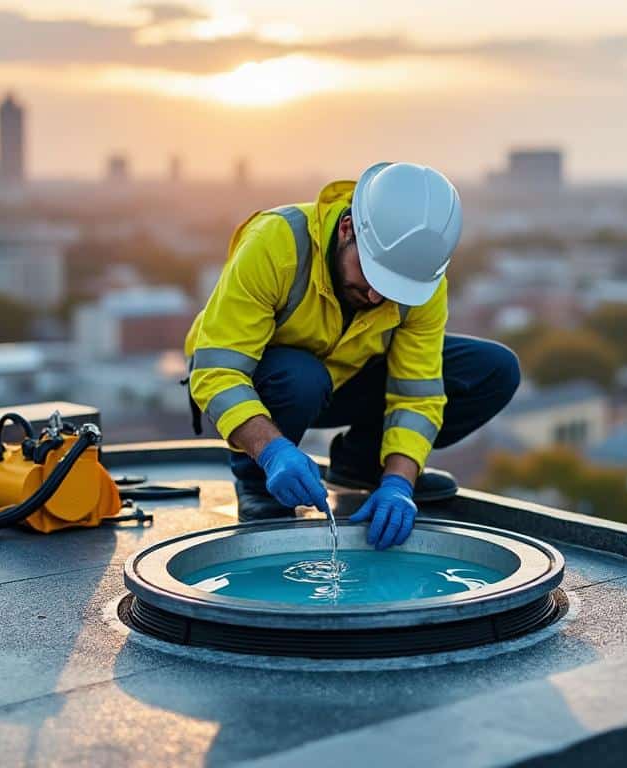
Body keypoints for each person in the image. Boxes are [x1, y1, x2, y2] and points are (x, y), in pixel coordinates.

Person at [184, 162, 520, 549]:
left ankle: (366, 467)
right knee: (301, 377)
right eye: (372, 275)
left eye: (393, 288)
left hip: (344, 378)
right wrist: (273, 452)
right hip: (262, 382)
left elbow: (418, 394)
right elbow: (218, 372)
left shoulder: (419, 283)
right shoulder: (277, 243)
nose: (377, 297)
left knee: (492, 370)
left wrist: (398, 481)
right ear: (347, 229)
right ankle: (257, 484)